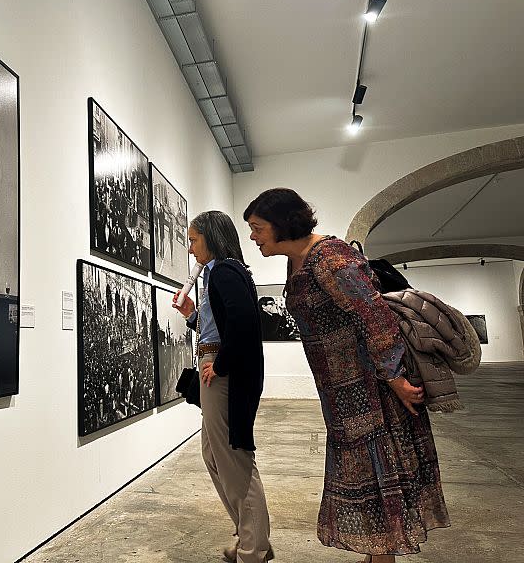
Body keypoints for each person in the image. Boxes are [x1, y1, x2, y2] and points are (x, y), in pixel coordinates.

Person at [243, 188, 450, 562]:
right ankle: (375, 553)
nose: (254, 237)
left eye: (258, 228)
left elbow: (375, 319)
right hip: (340, 390)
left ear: (282, 223)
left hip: (369, 387)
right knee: (361, 471)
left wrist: (395, 378)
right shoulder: (297, 260)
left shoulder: (331, 258)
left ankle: (381, 555)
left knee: (375, 469)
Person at [172, 210, 273, 563]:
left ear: (211, 238)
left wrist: (221, 363)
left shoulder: (224, 270)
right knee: (214, 454)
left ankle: (252, 548)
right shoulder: (222, 272)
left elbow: (243, 323)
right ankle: (251, 536)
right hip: (216, 365)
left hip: (222, 371)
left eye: (193, 240)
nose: (190, 249)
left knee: (234, 459)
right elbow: (222, 322)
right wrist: (191, 316)